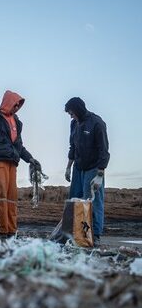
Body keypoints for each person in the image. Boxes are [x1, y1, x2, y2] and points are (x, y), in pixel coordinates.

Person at [0, 90, 41, 239]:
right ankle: (3, 231)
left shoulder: (17, 122)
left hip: (13, 163)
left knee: (11, 197)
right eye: (15, 104)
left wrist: (30, 159)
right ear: (8, 102)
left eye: (19, 105)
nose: (17, 108)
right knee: (1, 194)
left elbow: (19, 146)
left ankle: (12, 231)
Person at [64, 97, 110, 245]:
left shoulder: (97, 123)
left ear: (78, 109)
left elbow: (104, 150)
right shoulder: (74, 124)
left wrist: (100, 174)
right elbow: (73, 147)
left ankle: (95, 235)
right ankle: (76, 234)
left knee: (92, 202)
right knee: (75, 200)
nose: (71, 116)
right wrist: (68, 166)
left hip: (93, 168)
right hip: (78, 167)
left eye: (72, 113)